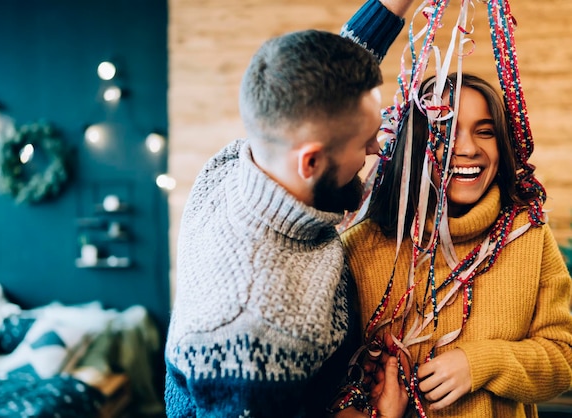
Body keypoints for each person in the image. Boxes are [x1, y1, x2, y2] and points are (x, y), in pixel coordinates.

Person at [164, 0, 415, 417]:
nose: (377, 148)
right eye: (367, 140)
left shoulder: (238, 163)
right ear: (311, 161)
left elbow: (327, 83)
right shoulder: (252, 336)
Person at [341, 71, 572, 417]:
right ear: (415, 144)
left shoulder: (529, 233)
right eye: (444, 132)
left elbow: (563, 359)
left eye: (485, 131)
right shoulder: (360, 248)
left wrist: (481, 363)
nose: (467, 148)